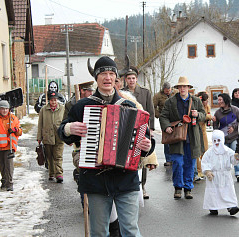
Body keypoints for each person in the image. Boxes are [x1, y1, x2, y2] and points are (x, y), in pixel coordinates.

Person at [57, 56, 155, 237]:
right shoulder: (82, 106)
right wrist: (70, 128)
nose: (107, 78)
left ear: (116, 78)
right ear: (96, 78)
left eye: (111, 74)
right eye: (103, 73)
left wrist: (147, 146)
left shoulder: (130, 105)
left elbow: (147, 140)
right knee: (99, 232)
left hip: (126, 180)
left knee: (131, 231)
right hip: (96, 181)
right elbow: (62, 132)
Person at [159, 76, 206, 199]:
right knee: (178, 163)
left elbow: (204, 115)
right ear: (178, 88)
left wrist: (198, 114)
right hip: (177, 137)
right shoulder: (170, 101)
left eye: (185, 86)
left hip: (192, 136)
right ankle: (178, 188)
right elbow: (163, 116)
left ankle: (188, 188)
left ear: (189, 88)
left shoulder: (196, 101)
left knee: (190, 164)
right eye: (180, 86)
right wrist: (167, 127)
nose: (183, 88)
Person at [123, 66, 155, 200]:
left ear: (136, 79)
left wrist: (151, 128)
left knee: (142, 157)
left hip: (142, 128)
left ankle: (142, 186)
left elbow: (151, 111)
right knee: (128, 157)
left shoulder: (145, 92)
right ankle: (128, 185)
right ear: (126, 80)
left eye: (133, 78)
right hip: (127, 128)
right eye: (129, 78)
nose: (131, 81)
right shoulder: (121, 92)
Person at [201, 130, 239, 216]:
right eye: (214, 140)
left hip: (225, 175)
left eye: (218, 140)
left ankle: (231, 206)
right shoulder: (209, 152)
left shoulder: (228, 151)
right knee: (213, 192)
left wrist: (237, 157)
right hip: (214, 175)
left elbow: (233, 160)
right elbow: (205, 162)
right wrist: (207, 171)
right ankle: (213, 206)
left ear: (222, 140)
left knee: (228, 190)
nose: (217, 143)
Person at [0, 100, 22, 191]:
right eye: (2, 109)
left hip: (9, 146)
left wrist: (14, 130)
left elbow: (20, 131)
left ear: (9, 109)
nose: (4, 111)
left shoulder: (13, 118)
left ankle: (9, 183)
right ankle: (4, 180)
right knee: (2, 166)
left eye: (6, 109)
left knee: (9, 165)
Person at [212, 93, 239, 182]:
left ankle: (238, 173)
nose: (219, 102)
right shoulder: (218, 112)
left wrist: (234, 127)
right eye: (218, 100)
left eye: (220, 100)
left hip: (234, 137)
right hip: (224, 139)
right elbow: (215, 127)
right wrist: (214, 122)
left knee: (236, 153)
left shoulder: (235, 110)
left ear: (226, 100)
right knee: (224, 156)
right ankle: (224, 174)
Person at [37, 91, 65, 183]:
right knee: (49, 157)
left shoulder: (62, 109)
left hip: (59, 136)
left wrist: (68, 136)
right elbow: (40, 124)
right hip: (47, 136)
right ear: (49, 101)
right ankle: (51, 173)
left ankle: (59, 174)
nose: (53, 102)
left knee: (58, 156)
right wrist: (39, 137)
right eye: (52, 100)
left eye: (55, 100)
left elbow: (66, 122)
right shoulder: (43, 110)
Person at [153, 82, 173, 166]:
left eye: (169, 90)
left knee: (177, 138)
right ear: (163, 89)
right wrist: (159, 115)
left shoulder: (175, 93)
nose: (168, 92)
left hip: (175, 119)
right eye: (166, 90)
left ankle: (175, 157)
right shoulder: (157, 96)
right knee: (167, 139)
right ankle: (168, 159)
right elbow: (152, 107)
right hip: (164, 119)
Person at [195, 91, 212, 180]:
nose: (207, 102)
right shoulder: (197, 106)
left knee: (205, 151)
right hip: (197, 131)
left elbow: (207, 116)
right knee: (197, 152)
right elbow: (203, 116)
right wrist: (208, 116)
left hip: (204, 131)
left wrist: (208, 117)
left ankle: (205, 169)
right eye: (206, 100)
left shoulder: (207, 107)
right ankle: (198, 171)